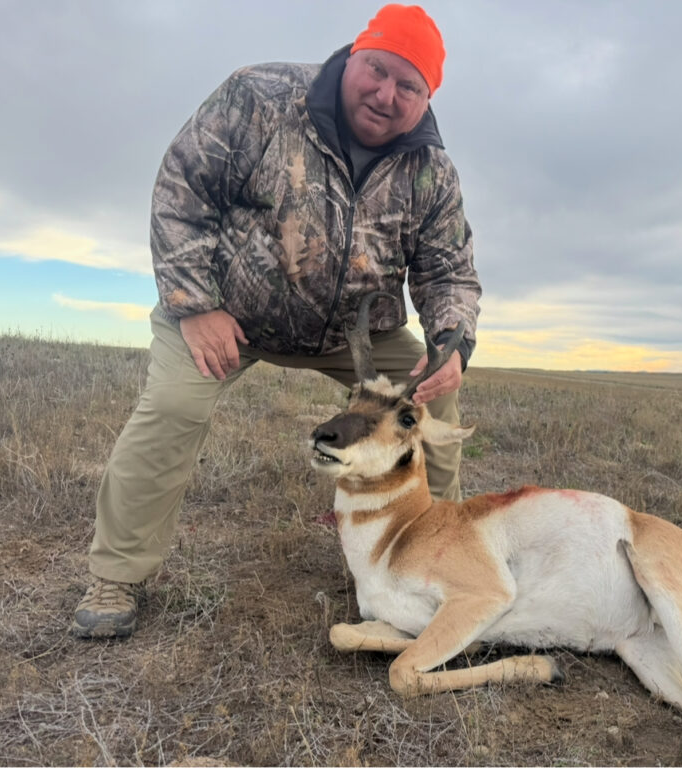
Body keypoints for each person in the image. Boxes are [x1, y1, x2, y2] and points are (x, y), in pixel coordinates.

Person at [71, 4, 481, 639]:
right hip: (226, 315)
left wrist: (450, 344)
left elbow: (448, 271)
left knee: (433, 406)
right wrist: (194, 305)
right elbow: (182, 192)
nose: (386, 94)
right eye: (377, 70)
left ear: (427, 98)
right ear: (354, 56)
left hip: (356, 337)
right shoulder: (259, 97)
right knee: (173, 408)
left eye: (409, 85)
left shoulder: (431, 170)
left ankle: (432, 559)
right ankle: (115, 574)